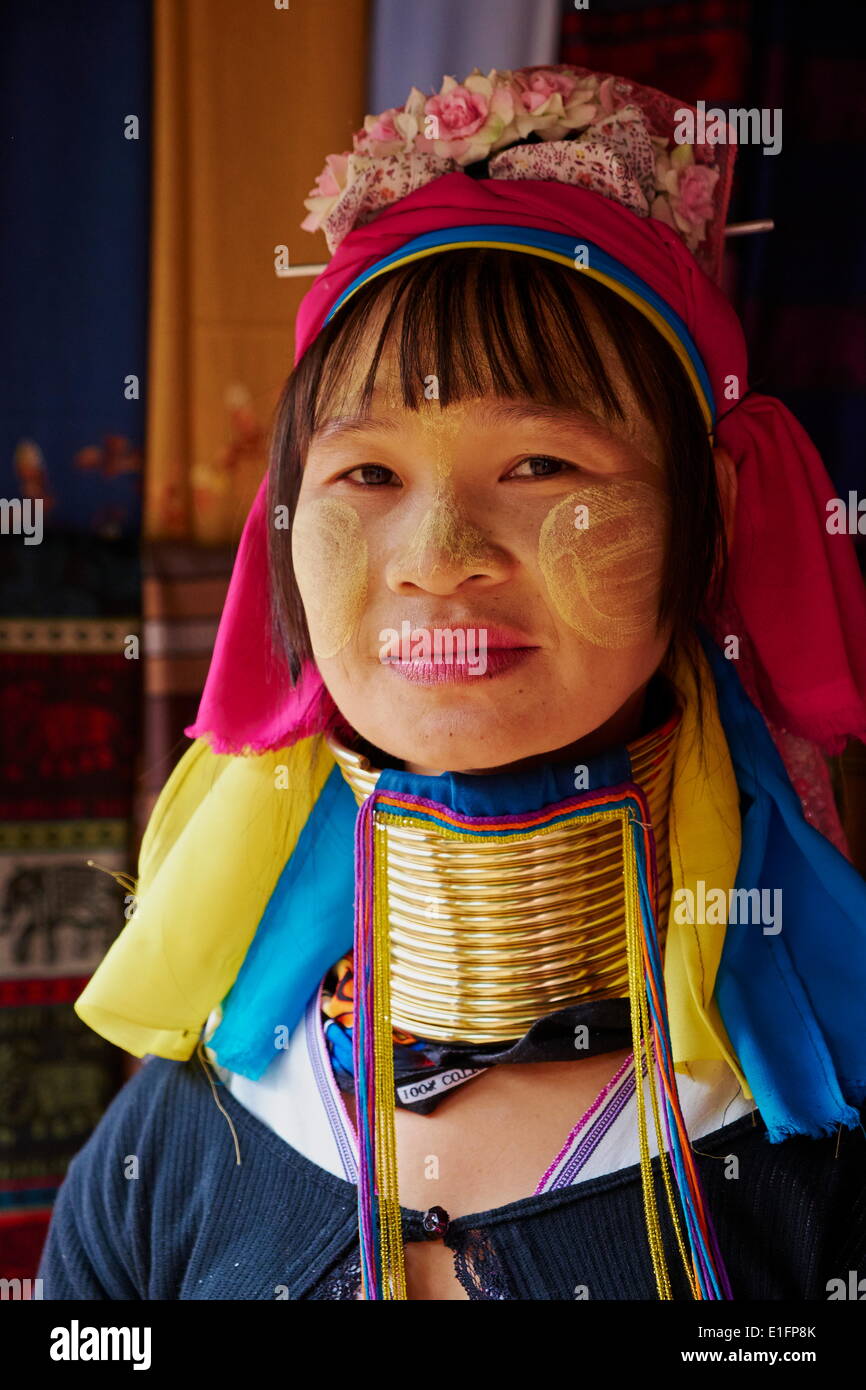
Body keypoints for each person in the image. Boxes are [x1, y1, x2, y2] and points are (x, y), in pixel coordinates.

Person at [39, 62, 866, 1302]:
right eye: (366, 476)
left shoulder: (813, 1153)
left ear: (713, 518)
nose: (436, 562)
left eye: (538, 464)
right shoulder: (183, 1137)